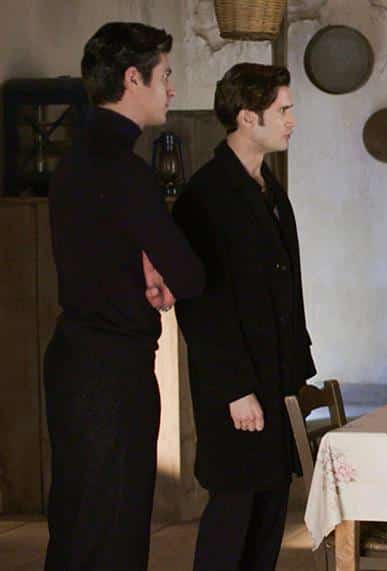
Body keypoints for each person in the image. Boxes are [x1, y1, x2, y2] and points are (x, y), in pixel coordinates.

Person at [44, 22, 205, 570]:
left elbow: (102, 251)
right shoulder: (124, 170)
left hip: (75, 360)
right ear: (133, 78)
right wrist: (157, 264)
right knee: (113, 532)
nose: (172, 89)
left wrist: (143, 259)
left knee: (78, 526)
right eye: (165, 76)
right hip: (112, 373)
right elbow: (189, 276)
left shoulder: (75, 161)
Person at [173, 63, 316, 571]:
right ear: (247, 117)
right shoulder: (206, 196)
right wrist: (236, 388)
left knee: (271, 507)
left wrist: (296, 370)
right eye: (283, 110)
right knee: (234, 506)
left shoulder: (267, 187)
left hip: (275, 376)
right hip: (237, 384)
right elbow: (201, 304)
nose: (292, 120)